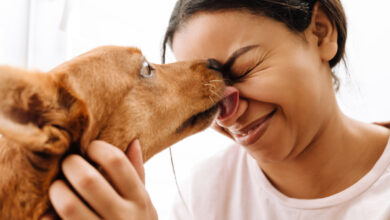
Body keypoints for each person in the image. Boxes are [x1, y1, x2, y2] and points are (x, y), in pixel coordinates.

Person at [45, 0, 390, 219]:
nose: (228, 112)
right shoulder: (203, 194)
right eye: (209, 99)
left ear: (320, 31)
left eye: (243, 69)